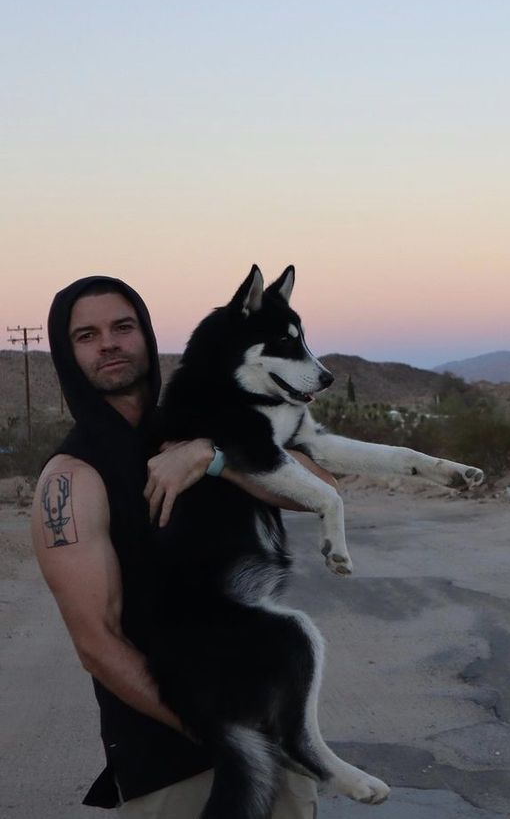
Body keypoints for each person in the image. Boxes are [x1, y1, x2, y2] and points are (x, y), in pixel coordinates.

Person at [31, 276, 329, 818]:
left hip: (278, 746)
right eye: (87, 335)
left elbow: (315, 489)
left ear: (146, 334)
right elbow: (97, 643)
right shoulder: (72, 479)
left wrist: (212, 455)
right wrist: (219, 727)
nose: (110, 344)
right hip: (171, 768)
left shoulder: (201, 427)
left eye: (123, 327)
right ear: (67, 354)